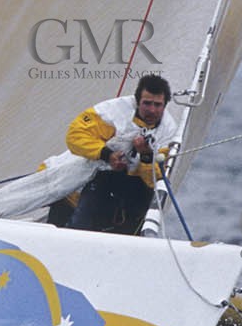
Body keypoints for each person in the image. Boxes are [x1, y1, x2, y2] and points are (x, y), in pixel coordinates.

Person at [44, 74, 178, 234]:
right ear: (137, 101)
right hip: (82, 186)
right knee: (68, 225)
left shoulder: (168, 132)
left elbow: (155, 180)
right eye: (147, 103)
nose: (152, 110)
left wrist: (146, 156)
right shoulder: (113, 112)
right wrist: (107, 155)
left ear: (165, 105)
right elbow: (75, 135)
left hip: (129, 192)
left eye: (158, 105)